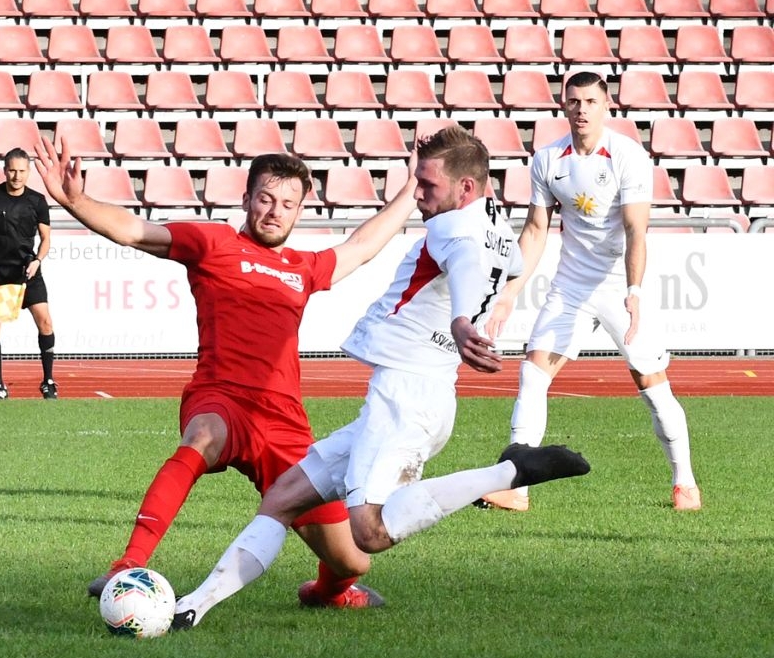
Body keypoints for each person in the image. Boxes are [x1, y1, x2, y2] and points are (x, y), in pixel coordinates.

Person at [170, 126, 593, 632]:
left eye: (428, 185)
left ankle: (510, 472)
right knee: (283, 496)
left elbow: (460, 261)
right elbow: (511, 260)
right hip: (416, 392)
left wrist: (462, 319)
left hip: (407, 398)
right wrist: (481, 308)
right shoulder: (493, 228)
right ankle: (192, 607)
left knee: (368, 532)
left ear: (465, 190)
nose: (419, 195)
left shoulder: (452, 229)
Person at [31, 136, 412, 611]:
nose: (275, 211)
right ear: (247, 198)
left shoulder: (303, 267)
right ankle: (128, 564)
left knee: (352, 560)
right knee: (203, 437)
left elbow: (362, 246)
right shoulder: (212, 242)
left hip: (284, 423)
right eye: (267, 199)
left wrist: (412, 186)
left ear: (298, 212)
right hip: (221, 397)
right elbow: (134, 230)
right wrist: (76, 201)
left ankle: (326, 594)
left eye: (288, 204)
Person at [478, 70, 700, 512]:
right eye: (574, 101)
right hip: (571, 286)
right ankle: (516, 485)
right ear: (564, 105)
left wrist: (634, 291)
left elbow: (637, 230)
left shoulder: (628, 156)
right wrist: (509, 292)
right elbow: (536, 230)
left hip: (619, 286)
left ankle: (685, 484)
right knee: (533, 371)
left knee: (651, 384)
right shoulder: (547, 159)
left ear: (606, 106)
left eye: (591, 102)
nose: (582, 110)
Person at [0, 148, 57, 399]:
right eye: (12, 170)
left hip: (27, 270)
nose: (17, 176)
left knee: (46, 322)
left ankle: (48, 381)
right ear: (5, 170)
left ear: (28, 172)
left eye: (22, 171)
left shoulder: (37, 201)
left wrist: (38, 260)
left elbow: (46, 238)